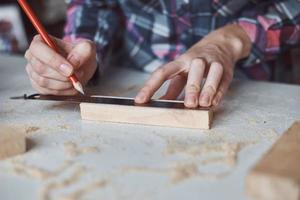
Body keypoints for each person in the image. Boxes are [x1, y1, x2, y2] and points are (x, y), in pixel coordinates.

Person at [24, 0, 300, 108]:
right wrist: (80, 55)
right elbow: (95, 5)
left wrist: (230, 41)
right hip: (128, 83)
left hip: (255, 89)